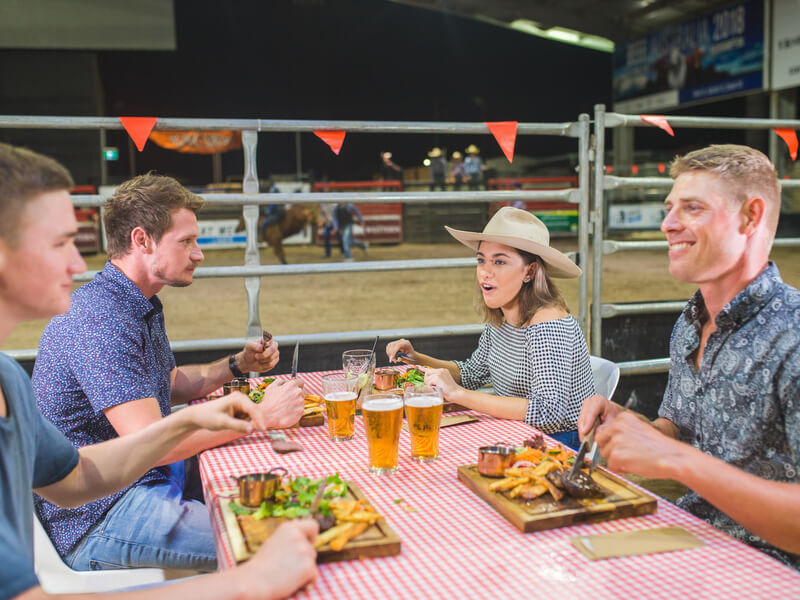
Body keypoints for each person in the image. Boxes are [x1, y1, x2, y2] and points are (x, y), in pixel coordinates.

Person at [0, 142, 318, 600]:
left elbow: (74, 479)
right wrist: (245, 583)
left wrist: (217, 386)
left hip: (119, 493)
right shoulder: (97, 318)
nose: (77, 263)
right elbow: (140, 449)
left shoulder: (9, 377)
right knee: (279, 535)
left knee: (289, 513)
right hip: (104, 517)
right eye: (60, 243)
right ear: (142, 240)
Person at [577, 144, 800, 569]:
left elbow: (681, 456)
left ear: (750, 216)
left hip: (774, 569)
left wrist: (679, 462)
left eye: (692, 208)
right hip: (695, 538)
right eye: (669, 207)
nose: (667, 224)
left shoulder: (794, 335)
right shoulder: (691, 322)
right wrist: (627, 425)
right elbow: (677, 431)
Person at [387, 207, 594, 449]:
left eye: (499, 261)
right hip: (517, 433)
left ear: (530, 271)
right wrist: (416, 358)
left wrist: (459, 395)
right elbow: (471, 374)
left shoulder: (548, 323)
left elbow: (547, 414)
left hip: (559, 445)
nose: (485, 271)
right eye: (481, 260)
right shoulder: (503, 318)